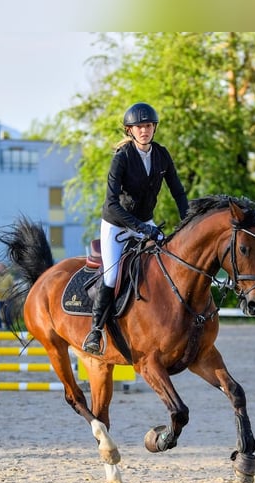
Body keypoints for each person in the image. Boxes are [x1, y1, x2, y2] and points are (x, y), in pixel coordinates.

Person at [82, 102, 189, 355]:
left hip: (146, 223)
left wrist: (187, 222)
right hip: (117, 225)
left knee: (168, 262)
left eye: (148, 126)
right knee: (111, 276)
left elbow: (178, 192)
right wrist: (141, 227)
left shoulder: (162, 155)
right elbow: (111, 202)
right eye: (139, 127)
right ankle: (95, 331)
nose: (144, 130)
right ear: (130, 130)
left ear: (154, 128)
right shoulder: (122, 158)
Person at [0, 262, 14, 330]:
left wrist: (9, 293)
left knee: (7, 314)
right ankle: (0, 326)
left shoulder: (9, 277)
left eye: (1, 267)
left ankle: (9, 327)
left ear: (4, 268)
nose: (0, 268)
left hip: (7, 298)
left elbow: (12, 287)